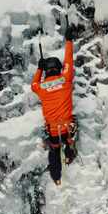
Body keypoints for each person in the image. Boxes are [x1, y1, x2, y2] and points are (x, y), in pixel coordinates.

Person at [31, 25, 77, 186]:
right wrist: (69, 40)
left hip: (53, 131)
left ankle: (56, 177)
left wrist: (38, 68)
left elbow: (34, 84)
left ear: (46, 72)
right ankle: (70, 153)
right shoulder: (65, 79)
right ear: (58, 69)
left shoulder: (41, 88)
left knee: (54, 150)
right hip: (67, 129)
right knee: (71, 131)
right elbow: (69, 61)